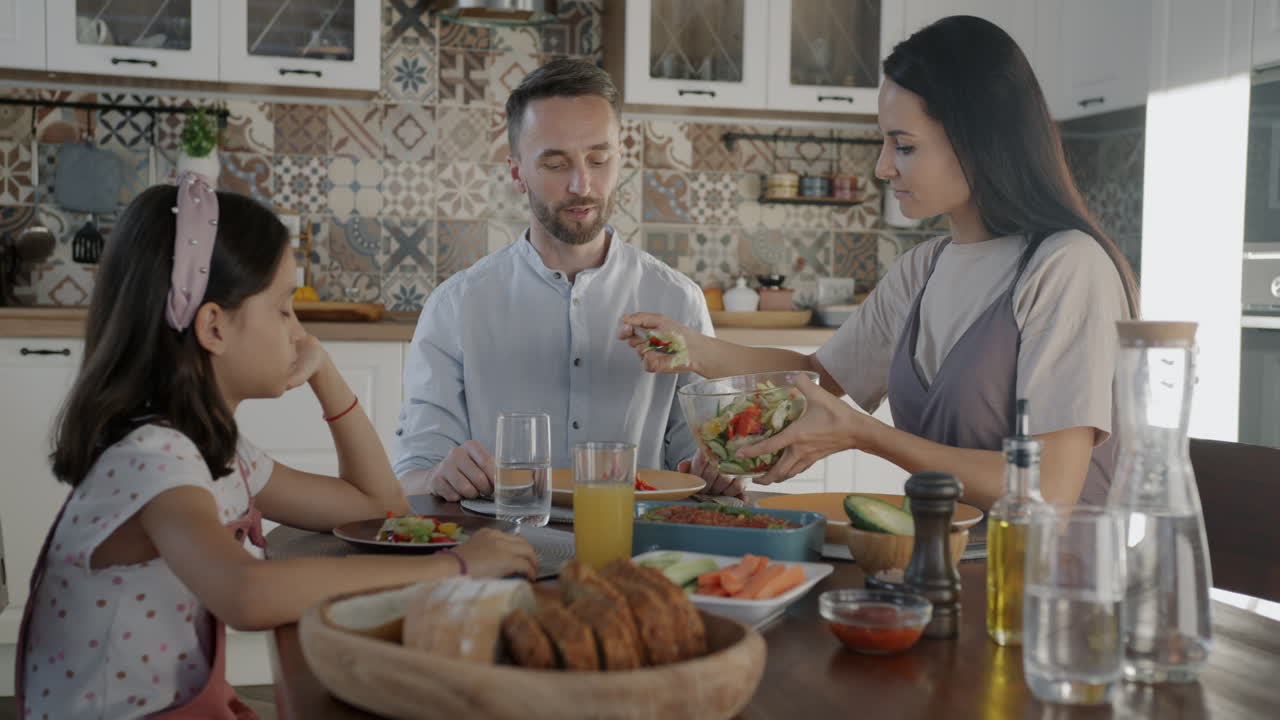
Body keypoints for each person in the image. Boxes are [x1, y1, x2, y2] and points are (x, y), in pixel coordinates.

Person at [16, 176, 536, 719]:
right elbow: (245, 593)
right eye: (285, 308)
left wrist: (326, 375)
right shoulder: (153, 457)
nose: (298, 332)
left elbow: (379, 507)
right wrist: (453, 568)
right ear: (213, 326)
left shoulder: (219, 450)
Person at [620, 15, 1139, 509]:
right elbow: (816, 376)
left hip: (1056, 580)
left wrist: (863, 434)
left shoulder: (1067, 267)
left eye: (904, 145)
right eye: (884, 141)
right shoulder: (924, 268)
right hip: (946, 557)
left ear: (976, 141)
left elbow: (1051, 486)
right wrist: (691, 347)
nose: (882, 166)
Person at [393, 58, 736, 500]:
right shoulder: (456, 305)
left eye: (598, 159)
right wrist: (440, 475)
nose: (583, 184)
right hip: (497, 547)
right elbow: (413, 474)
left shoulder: (679, 300)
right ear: (517, 171)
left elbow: (702, 464)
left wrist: (720, 471)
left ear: (620, 157)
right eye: (555, 164)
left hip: (638, 548)